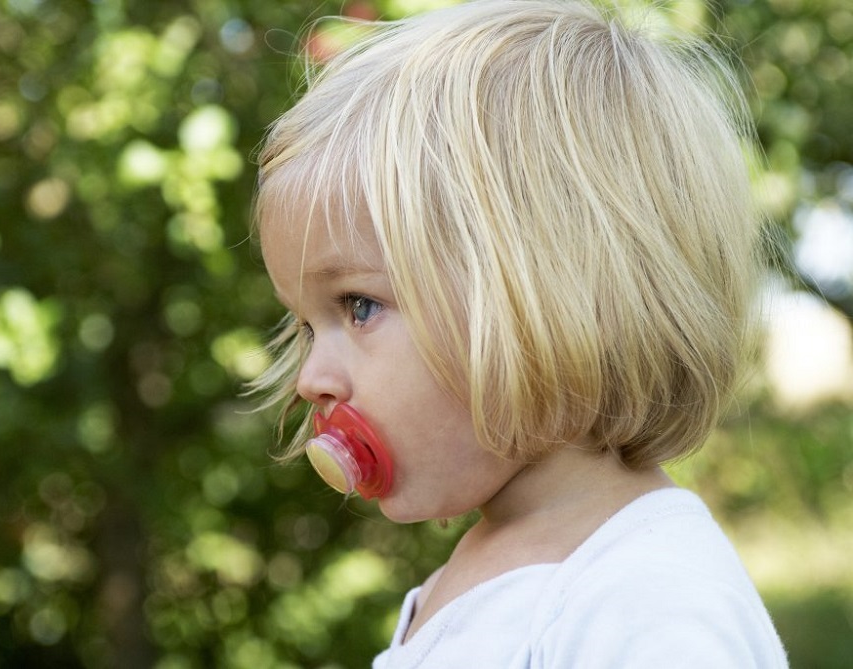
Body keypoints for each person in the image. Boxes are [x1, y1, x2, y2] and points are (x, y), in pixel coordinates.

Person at [250, 0, 789, 666]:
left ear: (559, 290)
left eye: (359, 305)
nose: (310, 377)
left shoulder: (647, 600)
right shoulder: (487, 568)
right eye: (306, 325)